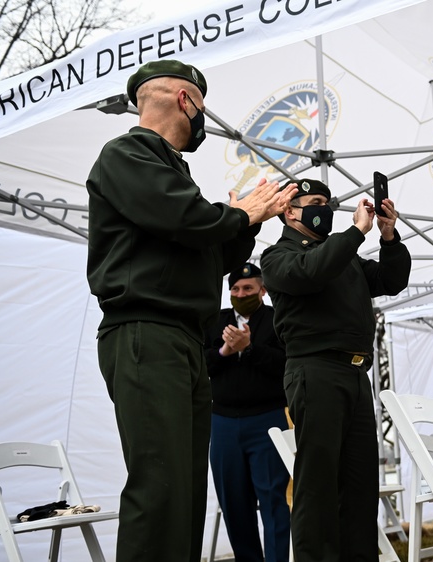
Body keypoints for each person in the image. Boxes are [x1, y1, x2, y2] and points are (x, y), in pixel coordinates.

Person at [86, 59, 296, 562]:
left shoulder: (170, 171)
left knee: (183, 490)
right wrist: (239, 213)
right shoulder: (128, 153)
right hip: (145, 332)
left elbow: (206, 258)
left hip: (180, 339)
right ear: (188, 100)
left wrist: (241, 224)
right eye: (202, 106)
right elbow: (184, 217)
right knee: (159, 484)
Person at [260, 178, 411, 561]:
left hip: (355, 376)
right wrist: (356, 232)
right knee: (319, 485)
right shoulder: (278, 257)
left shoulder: (340, 254)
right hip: (316, 371)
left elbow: (391, 281)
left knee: (360, 485)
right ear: (290, 211)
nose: (323, 208)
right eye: (314, 201)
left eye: (327, 202)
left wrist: (389, 237)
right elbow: (311, 272)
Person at [205, 263, 290, 562]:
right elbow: (201, 366)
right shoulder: (216, 321)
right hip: (223, 422)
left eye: (248, 289)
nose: (241, 294)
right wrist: (225, 352)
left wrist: (250, 348)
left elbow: (286, 365)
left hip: (268, 421)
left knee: (273, 500)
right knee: (234, 504)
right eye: (236, 290)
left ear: (262, 291)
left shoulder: (277, 319)